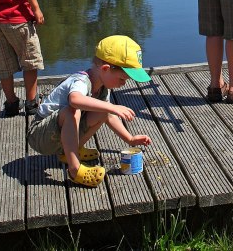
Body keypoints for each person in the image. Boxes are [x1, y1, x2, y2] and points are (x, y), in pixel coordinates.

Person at [27, 35, 152, 187]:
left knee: (102, 111)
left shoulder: (104, 87)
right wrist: (112, 107)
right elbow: (75, 100)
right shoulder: (81, 81)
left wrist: (130, 139)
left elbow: (109, 116)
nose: (123, 84)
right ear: (105, 69)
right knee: (72, 111)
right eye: (122, 79)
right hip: (40, 135)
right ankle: (75, 170)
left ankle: (71, 152)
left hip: (58, 135)